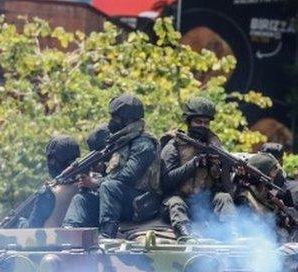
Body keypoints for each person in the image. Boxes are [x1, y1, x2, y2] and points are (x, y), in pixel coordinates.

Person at [159, 96, 236, 239]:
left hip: (204, 205)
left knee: (223, 197)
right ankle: (185, 234)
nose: (203, 126)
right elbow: (166, 181)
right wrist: (193, 165)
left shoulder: (216, 148)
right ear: (189, 122)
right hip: (179, 202)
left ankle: (231, 233)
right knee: (175, 203)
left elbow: (225, 187)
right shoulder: (174, 145)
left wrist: (226, 167)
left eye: (206, 123)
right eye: (198, 122)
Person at [96, 93, 159, 238]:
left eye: (115, 117)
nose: (112, 121)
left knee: (108, 187)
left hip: (142, 202)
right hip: (124, 197)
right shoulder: (123, 141)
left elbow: (128, 176)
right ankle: (72, 230)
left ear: (127, 119)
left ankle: (107, 235)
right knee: (85, 196)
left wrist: (97, 182)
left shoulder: (143, 143)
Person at [63, 125, 110, 228]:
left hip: (128, 205)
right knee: (81, 198)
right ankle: (69, 230)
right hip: (107, 205)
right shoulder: (107, 163)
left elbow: (122, 182)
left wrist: (94, 183)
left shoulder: (124, 154)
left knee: (80, 199)